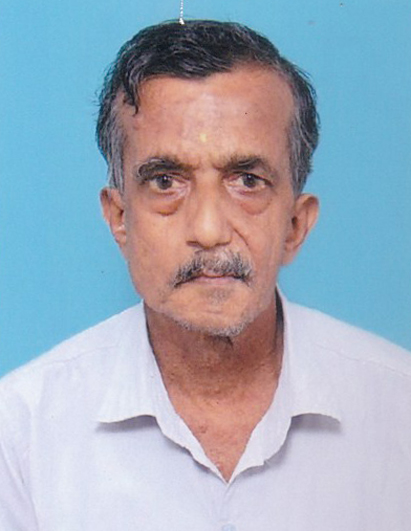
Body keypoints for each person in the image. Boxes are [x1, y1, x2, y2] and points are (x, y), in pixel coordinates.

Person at [0, 19, 410, 531]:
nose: (209, 230)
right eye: (165, 181)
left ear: (295, 224)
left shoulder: (400, 410)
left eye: (247, 181)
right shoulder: (19, 433)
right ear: (119, 218)